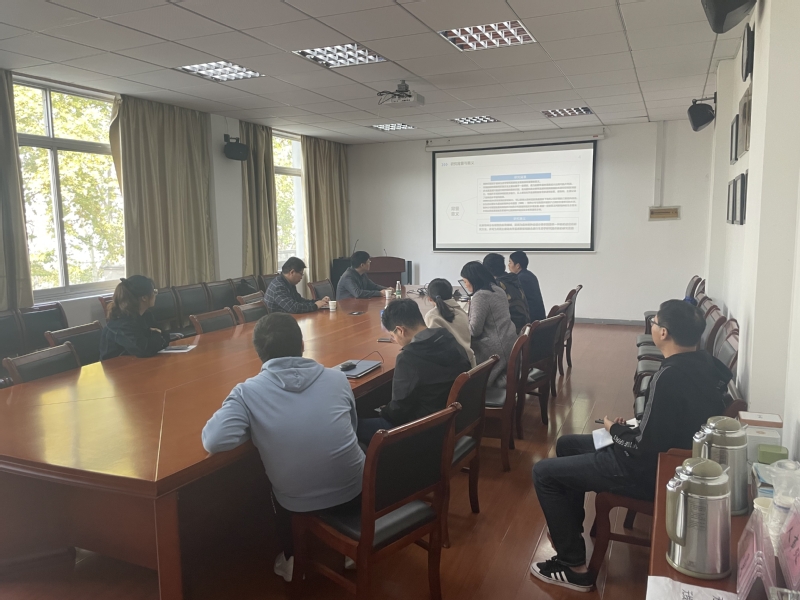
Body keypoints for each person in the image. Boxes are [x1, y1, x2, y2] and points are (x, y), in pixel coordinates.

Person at [530, 300, 730, 592]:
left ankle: (573, 567)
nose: (652, 326)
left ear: (663, 332)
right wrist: (630, 427)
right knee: (567, 444)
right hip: (668, 459)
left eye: (655, 322)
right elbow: (664, 425)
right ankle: (569, 532)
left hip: (643, 468)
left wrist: (615, 429)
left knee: (543, 473)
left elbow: (645, 447)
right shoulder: (704, 365)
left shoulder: (669, 376)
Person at [202, 313, 365, 583]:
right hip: (355, 490)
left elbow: (214, 440)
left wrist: (257, 424)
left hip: (298, 503)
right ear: (302, 344)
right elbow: (352, 426)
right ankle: (354, 548)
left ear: (258, 353)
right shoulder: (337, 378)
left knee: (274, 484)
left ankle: (292, 560)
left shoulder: (247, 393)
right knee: (354, 454)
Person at [356, 299, 471, 445]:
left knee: (354, 426)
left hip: (423, 431)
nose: (395, 340)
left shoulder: (409, 358)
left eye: (393, 336)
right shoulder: (446, 336)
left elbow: (398, 411)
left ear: (400, 330)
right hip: (452, 418)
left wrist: (383, 411)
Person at [461, 261, 518, 387]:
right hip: (509, 341)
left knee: (460, 351)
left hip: (494, 349)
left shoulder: (480, 296)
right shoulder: (498, 290)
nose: (465, 285)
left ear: (473, 280)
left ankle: (470, 388)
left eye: (465, 281)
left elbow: (475, 331)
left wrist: (463, 321)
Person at [99, 276, 180, 359]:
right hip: (116, 366)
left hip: (137, 362)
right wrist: (156, 334)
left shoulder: (146, 315)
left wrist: (156, 337)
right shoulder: (122, 324)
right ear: (144, 298)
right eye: (154, 292)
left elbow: (165, 336)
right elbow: (145, 350)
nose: (155, 295)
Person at [424, 278, 476, 368]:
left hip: (452, 368)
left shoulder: (432, 316)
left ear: (429, 298)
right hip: (470, 363)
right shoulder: (462, 312)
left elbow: (431, 348)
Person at [483, 253, 530, 333]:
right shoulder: (513, 279)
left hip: (512, 330)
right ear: (504, 267)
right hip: (524, 326)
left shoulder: (496, 285)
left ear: (486, 270)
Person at [508, 251, 546, 322]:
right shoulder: (529, 275)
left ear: (518, 266)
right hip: (539, 317)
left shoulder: (520, 279)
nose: (508, 265)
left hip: (532, 319)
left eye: (510, 262)